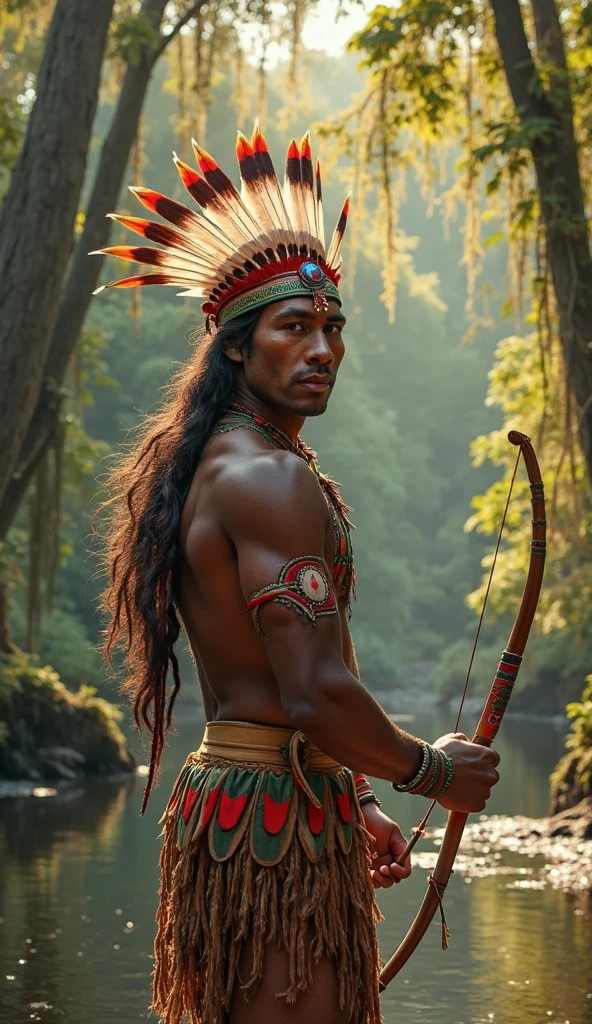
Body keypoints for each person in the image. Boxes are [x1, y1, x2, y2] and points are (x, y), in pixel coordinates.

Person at [94, 124, 500, 1024]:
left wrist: (354, 795)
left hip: (260, 802)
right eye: (294, 327)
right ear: (236, 348)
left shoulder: (223, 462)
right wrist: (432, 772)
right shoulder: (269, 477)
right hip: (270, 817)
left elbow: (282, 692)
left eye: (332, 327)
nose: (322, 348)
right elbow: (314, 692)